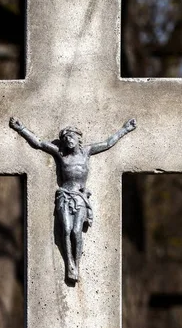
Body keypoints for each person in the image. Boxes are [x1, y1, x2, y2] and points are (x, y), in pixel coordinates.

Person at [9, 116, 137, 282]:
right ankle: (69, 263)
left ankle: (76, 264)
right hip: (64, 196)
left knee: (77, 231)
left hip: (80, 197)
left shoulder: (87, 152)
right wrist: (21, 129)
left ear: (78, 138)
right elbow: (39, 143)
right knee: (66, 230)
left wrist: (125, 129)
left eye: (71, 137)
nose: (68, 140)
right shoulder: (61, 154)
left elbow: (107, 143)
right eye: (65, 138)